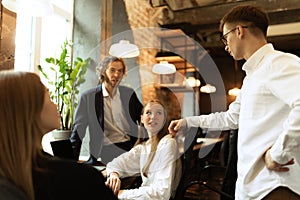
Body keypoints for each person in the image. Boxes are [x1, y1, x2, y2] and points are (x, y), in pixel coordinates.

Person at [168, 5, 300, 200]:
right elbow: (231, 118)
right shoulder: (252, 76)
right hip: (251, 187)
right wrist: (189, 122)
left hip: (274, 186)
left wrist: (278, 154)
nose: (225, 45)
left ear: (239, 31)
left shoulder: (279, 63)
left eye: (225, 37)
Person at [0, 70, 117, 200]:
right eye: (48, 96)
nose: (56, 104)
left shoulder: (10, 176)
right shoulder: (79, 179)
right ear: (28, 109)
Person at [70, 56, 143, 164]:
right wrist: (71, 162)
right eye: (112, 70)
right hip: (103, 151)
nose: (116, 75)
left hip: (129, 147)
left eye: (120, 71)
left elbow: (145, 117)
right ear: (103, 71)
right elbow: (79, 131)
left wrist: (144, 143)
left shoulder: (128, 94)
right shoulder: (88, 97)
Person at [105, 99, 181, 200]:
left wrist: (121, 194)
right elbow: (116, 164)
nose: (153, 117)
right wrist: (114, 174)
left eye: (159, 113)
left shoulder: (167, 144)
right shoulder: (144, 147)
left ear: (164, 119)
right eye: (148, 112)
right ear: (141, 119)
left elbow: (161, 193)